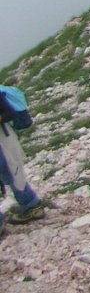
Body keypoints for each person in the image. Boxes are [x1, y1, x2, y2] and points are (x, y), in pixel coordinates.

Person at [0, 93, 44, 236]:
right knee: (12, 173)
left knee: (12, 173)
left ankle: (31, 205)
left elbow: (9, 113)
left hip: (3, 143)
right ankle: (31, 205)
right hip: (4, 143)